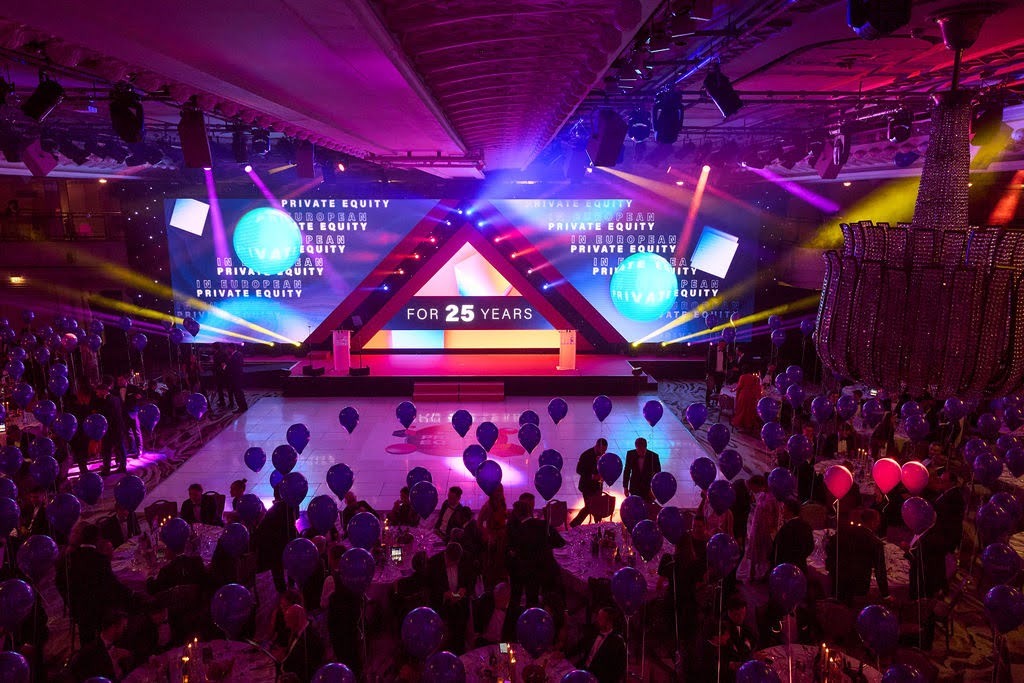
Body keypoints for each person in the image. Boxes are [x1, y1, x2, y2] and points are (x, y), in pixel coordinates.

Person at [55, 522, 131, 643]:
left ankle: (89, 648)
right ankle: (116, 642)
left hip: (78, 610)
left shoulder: (69, 558)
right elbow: (112, 585)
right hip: (98, 609)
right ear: (97, 539)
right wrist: (131, 593)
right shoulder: (100, 559)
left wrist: (70, 601)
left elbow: (59, 582)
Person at [507, 492, 565, 607]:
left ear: (517, 514)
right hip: (547, 569)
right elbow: (560, 542)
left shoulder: (518, 531)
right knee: (549, 598)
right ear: (530, 511)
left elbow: (514, 552)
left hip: (530, 573)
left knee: (531, 601)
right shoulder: (544, 524)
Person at [825, 508, 889, 603]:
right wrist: (885, 594)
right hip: (859, 584)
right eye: (878, 521)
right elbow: (880, 570)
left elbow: (829, 546)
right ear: (873, 522)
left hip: (840, 579)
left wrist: (831, 567)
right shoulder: (875, 542)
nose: (879, 523)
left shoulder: (845, 533)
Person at [428, 542, 475, 654]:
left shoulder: (466, 558)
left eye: (456, 562)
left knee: (460, 634)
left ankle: (459, 653)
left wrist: (465, 590)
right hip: (442, 606)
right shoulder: (434, 563)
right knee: (443, 636)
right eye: (451, 562)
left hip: (461, 606)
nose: (454, 564)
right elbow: (430, 587)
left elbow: (472, 580)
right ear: (446, 554)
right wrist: (444, 594)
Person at [254, 487, 298, 593]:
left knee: (277, 568)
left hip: (276, 544)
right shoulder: (291, 506)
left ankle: (282, 591)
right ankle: (291, 586)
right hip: (289, 540)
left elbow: (262, 528)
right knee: (290, 564)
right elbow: (295, 518)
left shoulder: (275, 509)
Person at [738, 475, 779, 582]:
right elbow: (756, 510)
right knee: (754, 549)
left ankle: (765, 574)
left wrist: (774, 528)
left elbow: (776, 515)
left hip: (766, 528)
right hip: (757, 526)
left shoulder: (773, 498)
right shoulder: (762, 495)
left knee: (764, 551)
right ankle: (751, 574)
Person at [70, 610, 132, 682]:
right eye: (123, 627)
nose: (125, 630)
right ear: (113, 627)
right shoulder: (90, 652)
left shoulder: (120, 644)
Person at [576, 606, 626, 683]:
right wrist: (564, 653)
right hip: (584, 669)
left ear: (609, 622)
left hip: (599, 677)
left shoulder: (617, 641)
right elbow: (579, 645)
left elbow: (620, 668)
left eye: (600, 618)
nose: (597, 620)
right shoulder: (593, 632)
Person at [276, 604, 324, 683]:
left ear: (296, 620)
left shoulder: (310, 638)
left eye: (288, 622)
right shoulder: (300, 632)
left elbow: (308, 668)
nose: (287, 626)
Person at [95, 376, 128, 475]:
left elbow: (109, 415)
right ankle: (121, 466)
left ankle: (108, 469)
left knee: (108, 449)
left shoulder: (107, 401)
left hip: (111, 428)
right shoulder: (116, 398)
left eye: (97, 392)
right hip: (117, 427)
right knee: (119, 448)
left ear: (103, 391)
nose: (97, 394)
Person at [477, 483, 508, 589]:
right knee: (492, 565)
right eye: (497, 491)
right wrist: (487, 534)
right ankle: (491, 588)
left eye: (501, 491)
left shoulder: (502, 504)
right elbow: (479, 522)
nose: (500, 493)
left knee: (501, 563)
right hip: (493, 540)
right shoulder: (487, 506)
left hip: (502, 538)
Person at [571, 438, 607, 527]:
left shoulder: (602, 455)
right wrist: (592, 476)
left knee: (597, 508)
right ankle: (575, 524)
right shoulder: (586, 455)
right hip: (587, 486)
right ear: (597, 446)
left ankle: (597, 526)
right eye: (602, 450)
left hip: (597, 486)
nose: (603, 452)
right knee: (589, 507)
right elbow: (579, 470)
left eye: (605, 450)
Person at [771, 499, 814, 571]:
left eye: (784, 509)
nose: (782, 512)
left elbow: (779, 550)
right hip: (801, 566)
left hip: (787, 567)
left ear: (790, 511)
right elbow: (811, 546)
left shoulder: (786, 528)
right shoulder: (806, 525)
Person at [472, 581, 519, 646]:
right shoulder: (486, 600)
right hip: (484, 640)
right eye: (496, 597)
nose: (497, 600)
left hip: (502, 643)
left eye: (502, 598)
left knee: (504, 652)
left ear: (508, 597)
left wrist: (504, 647)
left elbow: (510, 634)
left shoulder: (513, 611)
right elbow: (476, 619)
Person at [623, 437, 661, 502]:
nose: (640, 452)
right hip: (634, 487)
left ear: (646, 447)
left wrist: (654, 490)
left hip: (648, 489)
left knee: (648, 506)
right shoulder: (630, 454)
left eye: (642, 450)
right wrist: (625, 487)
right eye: (638, 450)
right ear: (636, 447)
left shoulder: (654, 456)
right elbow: (627, 471)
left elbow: (657, 474)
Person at [732, 365, 762, 431]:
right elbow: (757, 387)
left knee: (741, 410)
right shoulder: (754, 378)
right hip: (751, 396)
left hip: (743, 395)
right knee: (748, 411)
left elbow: (739, 387)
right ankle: (748, 425)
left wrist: (733, 390)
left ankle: (740, 425)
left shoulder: (742, 377)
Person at [212, 342, 233, 410]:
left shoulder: (218, 354)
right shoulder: (223, 353)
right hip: (225, 373)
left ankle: (223, 402)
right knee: (227, 388)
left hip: (220, 374)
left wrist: (221, 371)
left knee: (220, 388)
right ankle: (230, 402)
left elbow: (223, 364)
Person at [228, 343, 248, 412]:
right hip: (238, 376)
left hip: (235, 377)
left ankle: (241, 407)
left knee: (237, 393)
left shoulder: (234, 356)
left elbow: (233, 367)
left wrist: (225, 367)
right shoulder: (239, 354)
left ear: (230, 348)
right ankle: (243, 406)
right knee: (239, 392)